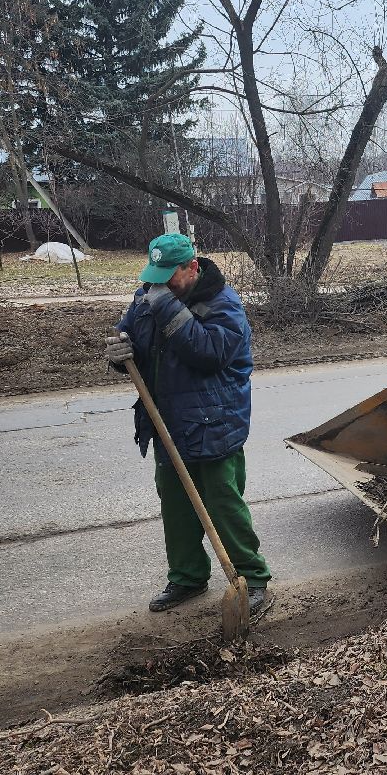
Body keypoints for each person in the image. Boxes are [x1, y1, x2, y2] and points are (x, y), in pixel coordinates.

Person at [104, 233, 272, 614]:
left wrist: (166, 308)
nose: (159, 283)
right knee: (176, 506)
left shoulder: (224, 306)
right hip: (166, 422)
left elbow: (208, 353)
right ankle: (187, 578)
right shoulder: (149, 297)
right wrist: (119, 354)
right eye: (154, 274)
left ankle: (253, 579)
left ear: (192, 268)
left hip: (214, 421)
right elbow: (131, 337)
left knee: (222, 505)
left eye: (169, 275)